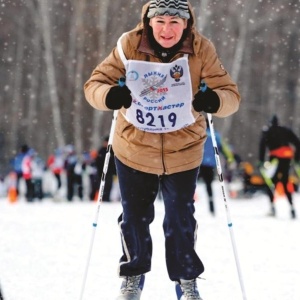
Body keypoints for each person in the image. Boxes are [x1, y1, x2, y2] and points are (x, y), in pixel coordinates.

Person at [84, 1, 240, 299]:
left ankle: (185, 280)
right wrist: (109, 95)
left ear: (186, 24)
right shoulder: (128, 44)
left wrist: (215, 102)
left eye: (174, 22)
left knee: (180, 218)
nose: (167, 29)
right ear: (148, 22)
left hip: (184, 149)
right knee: (135, 217)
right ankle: (133, 276)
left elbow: (230, 93)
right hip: (134, 147)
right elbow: (95, 84)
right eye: (160, 21)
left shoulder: (200, 48)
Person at [259, 115, 300, 219]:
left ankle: (273, 207)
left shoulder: (267, 131)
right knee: (285, 182)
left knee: (269, 182)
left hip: (274, 160)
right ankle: (292, 208)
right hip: (286, 159)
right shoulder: (285, 130)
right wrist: (296, 158)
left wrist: (260, 161)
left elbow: (262, 146)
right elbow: (297, 143)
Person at [198, 119, 233, 216]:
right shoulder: (215, 135)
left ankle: (188, 205)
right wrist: (229, 159)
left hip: (198, 163)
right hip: (210, 164)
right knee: (209, 186)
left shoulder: (199, 134)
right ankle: (211, 207)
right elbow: (223, 148)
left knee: (190, 185)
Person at [95, 136, 117, 202]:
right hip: (102, 172)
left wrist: (114, 171)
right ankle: (102, 198)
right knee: (102, 186)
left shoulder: (112, 151)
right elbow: (98, 162)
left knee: (109, 186)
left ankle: (107, 198)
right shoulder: (101, 151)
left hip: (110, 172)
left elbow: (114, 162)